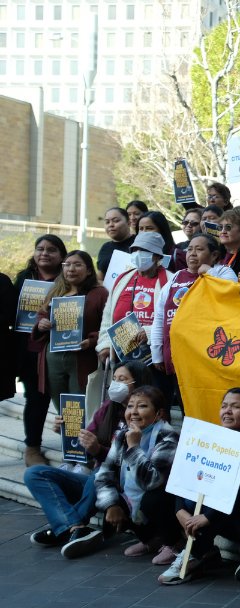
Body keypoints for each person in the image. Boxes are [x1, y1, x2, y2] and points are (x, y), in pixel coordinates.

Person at [25, 362, 153, 550]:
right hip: (96, 482)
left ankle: (66, 526)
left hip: (122, 482)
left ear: (138, 383)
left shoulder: (147, 413)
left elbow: (129, 460)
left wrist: (98, 450)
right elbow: (84, 443)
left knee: (100, 472)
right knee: (34, 474)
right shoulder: (108, 408)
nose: (116, 384)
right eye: (114, 379)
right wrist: (68, 432)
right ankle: (74, 527)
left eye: (122, 379)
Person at [159, 387, 240, 585]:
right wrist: (179, 509)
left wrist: (208, 516)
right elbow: (187, 476)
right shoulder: (216, 437)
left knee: (234, 499)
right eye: (224, 406)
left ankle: (193, 555)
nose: (227, 411)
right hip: (220, 511)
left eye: (235, 407)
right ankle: (197, 553)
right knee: (174, 490)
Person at [74, 385, 181, 560]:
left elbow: (151, 481)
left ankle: (174, 542)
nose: (134, 412)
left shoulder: (168, 437)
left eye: (143, 406)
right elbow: (104, 473)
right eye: (130, 406)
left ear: (159, 414)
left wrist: (133, 447)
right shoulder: (123, 434)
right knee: (114, 498)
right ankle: (152, 540)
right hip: (138, 498)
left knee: (151, 500)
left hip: (163, 500)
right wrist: (111, 505)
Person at [150, 233, 238, 412]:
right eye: (189, 249)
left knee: (206, 407)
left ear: (214, 255)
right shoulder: (175, 278)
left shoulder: (222, 272)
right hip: (175, 354)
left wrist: (209, 272)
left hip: (205, 355)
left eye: (199, 249)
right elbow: (160, 316)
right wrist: (157, 352)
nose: (192, 254)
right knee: (185, 408)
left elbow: (231, 293)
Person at [33, 251, 109, 419]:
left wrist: (92, 340)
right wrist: (41, 324)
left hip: (82, 358)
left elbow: (108, 323)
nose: (71, 269)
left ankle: (81, 443)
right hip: (53, 356)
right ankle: (67, 442)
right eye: (67, 265)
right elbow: (41, 315)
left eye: (77, 264)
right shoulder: (56, 291)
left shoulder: (100, 293)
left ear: (89, 270)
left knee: (79, 403)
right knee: (60, 404)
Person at [15, 235, 66, 466]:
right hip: (28, 350)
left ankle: (75, 446)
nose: (44, 253)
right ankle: (32, 447)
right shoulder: (24, 278)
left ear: (62, 256)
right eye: (40, 249)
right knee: (35, 398)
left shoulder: (69, 279)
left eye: (51, 250)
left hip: (62, 350)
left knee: (68, 400)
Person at [97, 233, 172, 370]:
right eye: (134, 250)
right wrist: (105, 344)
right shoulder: (123, 278)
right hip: (122, 355)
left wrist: (148, 332)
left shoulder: (170, 281)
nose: (137, 254)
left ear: (156, 256)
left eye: (143, 250)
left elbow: (172, 320)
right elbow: (108, 317)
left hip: (154, 357)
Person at [96, 207, 136, 280]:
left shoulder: (140, 244)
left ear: (128, 223)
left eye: (116, 221)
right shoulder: (105, 248)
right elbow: (100, 278)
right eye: (107, 222)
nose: (111, 225)